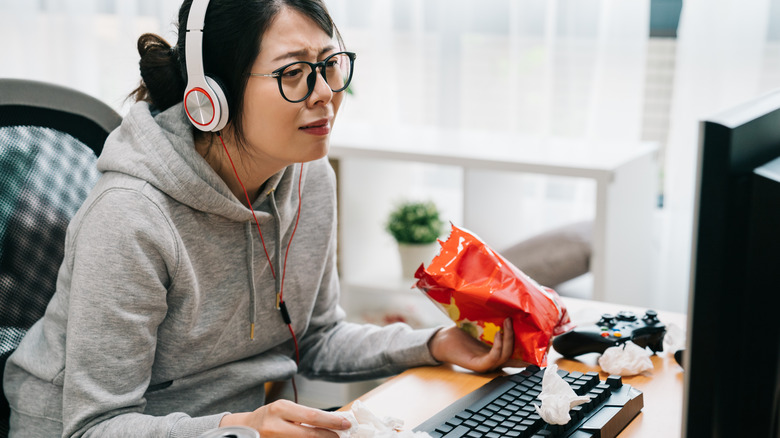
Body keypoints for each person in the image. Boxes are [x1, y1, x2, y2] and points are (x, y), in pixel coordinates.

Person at [3, 1, 526, 436]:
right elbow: (94, 426)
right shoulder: (130, 218)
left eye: (330, 64)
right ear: (213, 99)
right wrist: (243, 426)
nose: (324, 93)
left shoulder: (308, 176)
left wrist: (434, 344)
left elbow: (316, 338)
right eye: (294, 73)